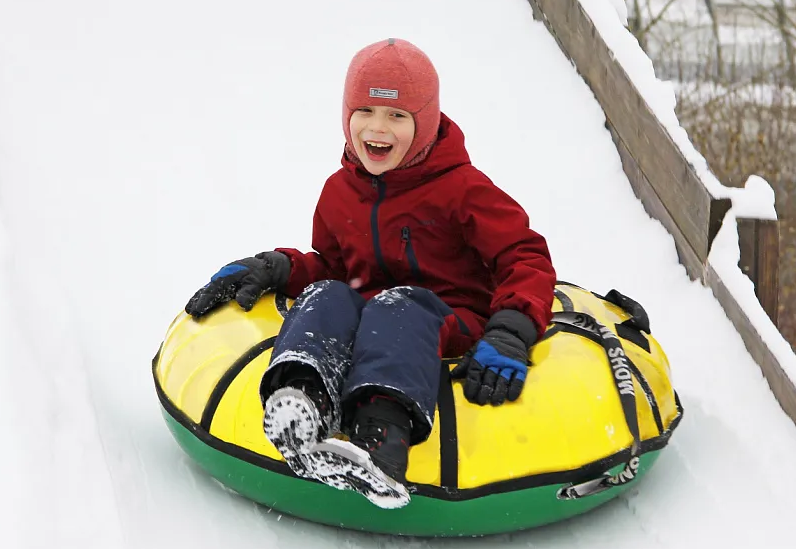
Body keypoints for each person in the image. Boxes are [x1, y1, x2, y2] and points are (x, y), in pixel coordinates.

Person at [185, 38, 556, 509]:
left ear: (426, 122)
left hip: (447, 320)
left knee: (396, 305)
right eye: (365, 111)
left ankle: (381, 441)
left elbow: (525, 257)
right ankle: (302, 399)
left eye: (398, 116)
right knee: (327, 294)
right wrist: (279, 267)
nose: (378, 128)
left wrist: (511, 332)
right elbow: (337, 267)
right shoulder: (340, 191)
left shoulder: (464, 190)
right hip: (372, 316)